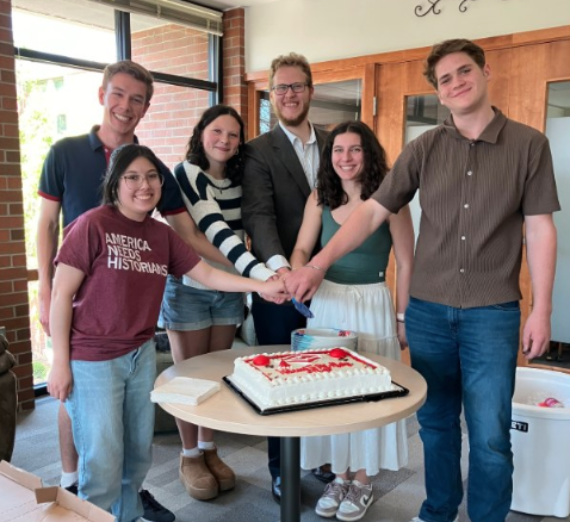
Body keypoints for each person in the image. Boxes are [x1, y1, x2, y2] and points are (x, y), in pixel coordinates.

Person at [285, 39, 559, 522]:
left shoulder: (529, 144)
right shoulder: (425, 147)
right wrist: (316, 264)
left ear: (485, 71)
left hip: (492, 313)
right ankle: (437, 511)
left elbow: (539, 227)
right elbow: (372, 211)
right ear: (439, 91)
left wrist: (542, 309)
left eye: (463, 71)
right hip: (430, 311)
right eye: (445, 79)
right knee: (435, 426)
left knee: (491, 435)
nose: (456, 83)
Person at [46, 144, 286, 522]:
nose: (145, 185)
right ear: (115, 184)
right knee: (102, 459)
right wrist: (60, 362)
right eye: (133, 177)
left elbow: (205, 273)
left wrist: (259, 285)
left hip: (139, 354)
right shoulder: (92, 225)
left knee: (137, 453)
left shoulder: (161, 235)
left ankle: (126, 515)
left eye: (152, 176)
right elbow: (61, 296)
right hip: (93, 358)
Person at [36, 59, 227, 522]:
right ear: (103, 95)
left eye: (137, 99)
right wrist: (45, 293)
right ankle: (74, 489)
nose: (126, 105)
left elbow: (188, 238)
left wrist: (254, 272)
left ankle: (120, 500)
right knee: (80, 411)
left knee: (128, 439)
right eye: (118, 94)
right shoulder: (64, 153)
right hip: (79, 312)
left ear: (146, 107)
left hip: (132, 327)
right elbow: (44, 226)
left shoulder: (150, 168)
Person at [290, 121, 414, 521]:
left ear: (369, 153)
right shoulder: (319, 197)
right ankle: (338, 475)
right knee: (330, 391)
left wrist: (402, 316)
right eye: (338, 150)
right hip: (327, 304)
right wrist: (297, 275)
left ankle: (362, 479)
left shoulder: (391, 198)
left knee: (369, 392)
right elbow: (302, 248)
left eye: (354, 149)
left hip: (371, 302)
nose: (345, 158)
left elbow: (408, 261)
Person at [158, 105, 276, 500]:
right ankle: (189, 455)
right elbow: (211, 232)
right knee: (187, 376)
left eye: (232, 134)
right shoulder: (186, 173)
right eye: (217, 131)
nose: (224, 140)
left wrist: (251, 276)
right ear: (201, 133)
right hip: (190, 286)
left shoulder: (242, 179)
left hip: (228, 289)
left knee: (216, 374)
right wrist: (258, 276)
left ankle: (209, 449)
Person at [241, 52, 332, 502]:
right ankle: (282, 469)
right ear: (271, 95)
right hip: (280, 285)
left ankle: (326, 460)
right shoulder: (258, 151)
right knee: (281, 376)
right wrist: (285, 271)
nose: (289, 95)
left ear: (311, 90)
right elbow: (258, 216)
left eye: (297, 86)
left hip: (335, 283)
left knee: (329, 370)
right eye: (281, 88)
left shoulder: (338, 142)